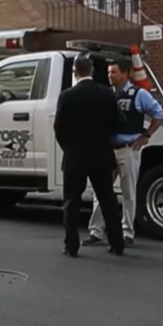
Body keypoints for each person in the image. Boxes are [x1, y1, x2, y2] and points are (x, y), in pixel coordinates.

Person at [84, 57, 163, 248]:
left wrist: (146, 135)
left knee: (128, 192)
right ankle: (96, 231)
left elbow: (159, 114)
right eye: (108, 73)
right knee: (101, 191)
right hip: (108, 150)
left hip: (128, 149)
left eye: (113, 72)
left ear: (125, 73)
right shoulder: (107, 94)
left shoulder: (139, 95)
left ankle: (127, 232)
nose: (110, 76)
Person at [54, 56, 125, 257]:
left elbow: (59, 128)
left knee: (71, 202)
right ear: (92, 71)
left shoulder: (67, 96)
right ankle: (116, 243)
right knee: (107, 200)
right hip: (101, 155)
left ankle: (71, 246)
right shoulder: (106, 94)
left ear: (76, 72)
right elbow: (114, 124)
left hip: (75, 156)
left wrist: (68, 147)